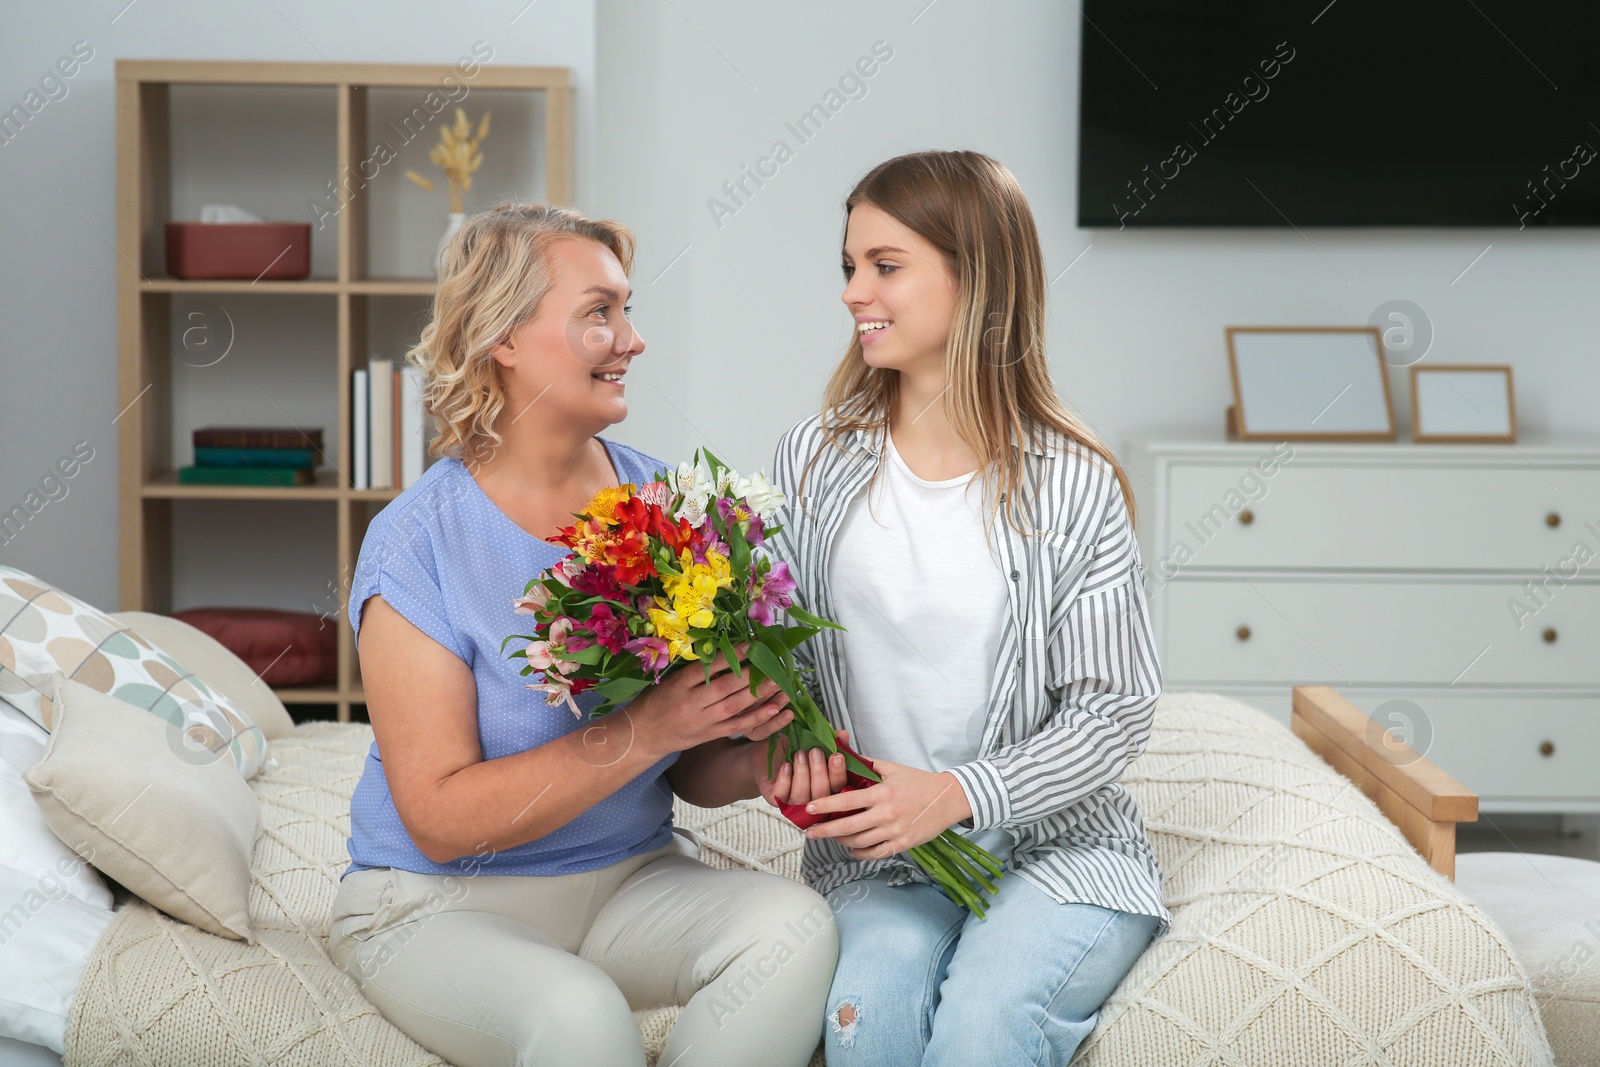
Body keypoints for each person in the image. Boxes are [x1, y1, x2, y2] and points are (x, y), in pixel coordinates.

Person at [326, 201, 837, 1067]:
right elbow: (441, 819)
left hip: (628, 880)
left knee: (794, 928)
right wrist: (647, 727)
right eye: (599, 312)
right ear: (504, 337)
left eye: (626, 310)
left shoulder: (666, 506)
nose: (632, 339)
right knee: (578, 1016)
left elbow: (691, 774)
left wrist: (756, 752)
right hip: (439, 902)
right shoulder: (420, 543)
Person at [765, 151, 1172, 1066]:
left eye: (885, 265)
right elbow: (780, 660)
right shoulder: (813, 460)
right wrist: (785, 745)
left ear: (975, 275)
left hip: (1058, 851)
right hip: (881, 862)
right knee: (869, 1020)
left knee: (986, 1025)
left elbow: (1114, 712)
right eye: (849, 266)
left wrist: (956, 794)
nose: (853, 292)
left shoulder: (1073, 483)